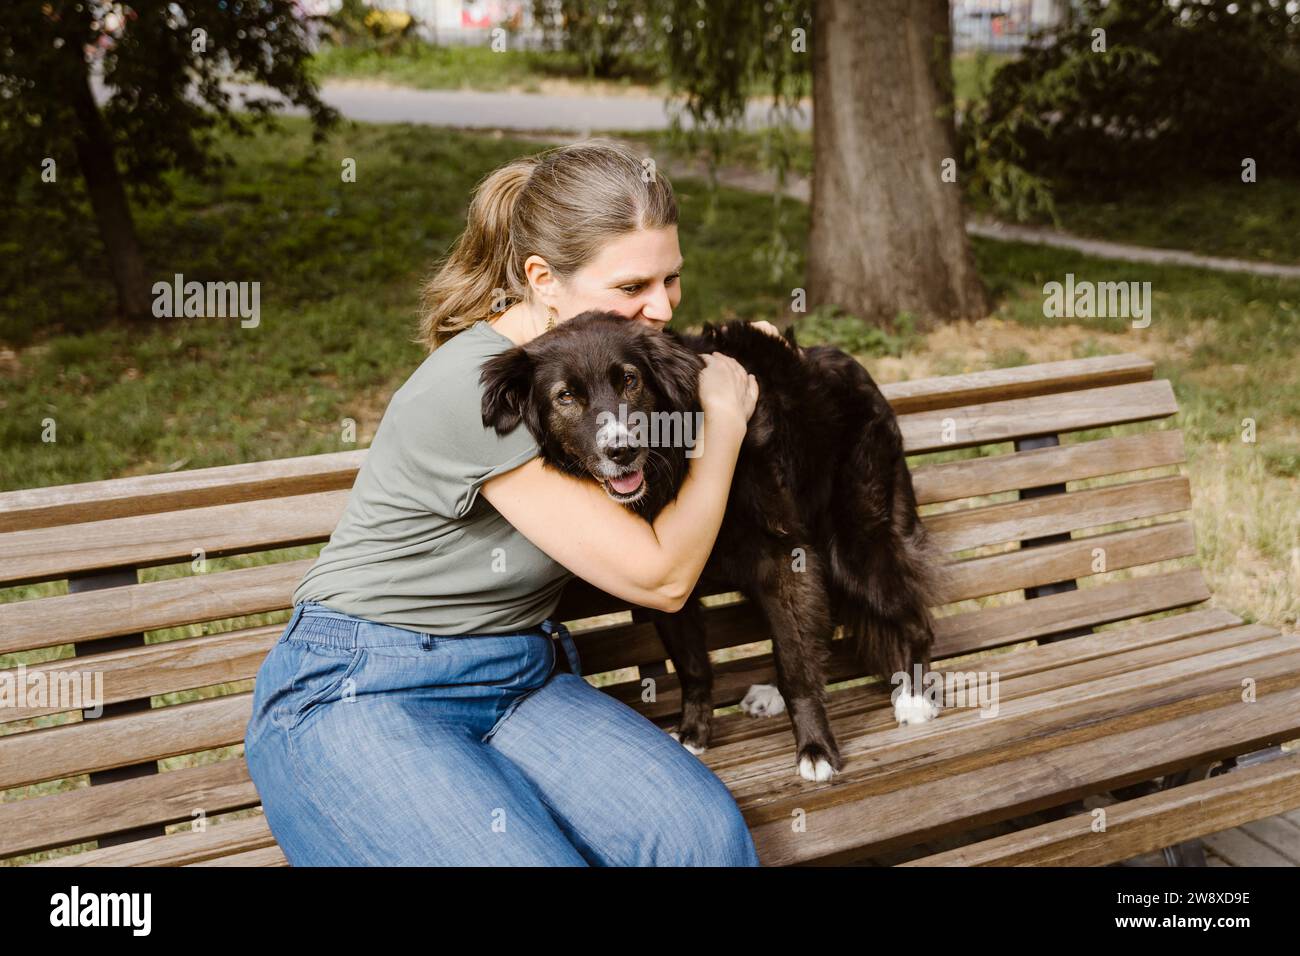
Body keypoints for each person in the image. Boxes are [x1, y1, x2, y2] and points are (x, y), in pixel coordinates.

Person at [244, 139, 782, 866]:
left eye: (672, 279)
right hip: (362, 689)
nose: (660, 308)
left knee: (702, 842)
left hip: (518, 679)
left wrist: (760, 358)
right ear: (542, 279)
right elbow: (661, 577)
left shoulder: (605, 368)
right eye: (633, 288)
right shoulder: (485, 387)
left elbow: (700, 381)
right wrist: (722, 423)